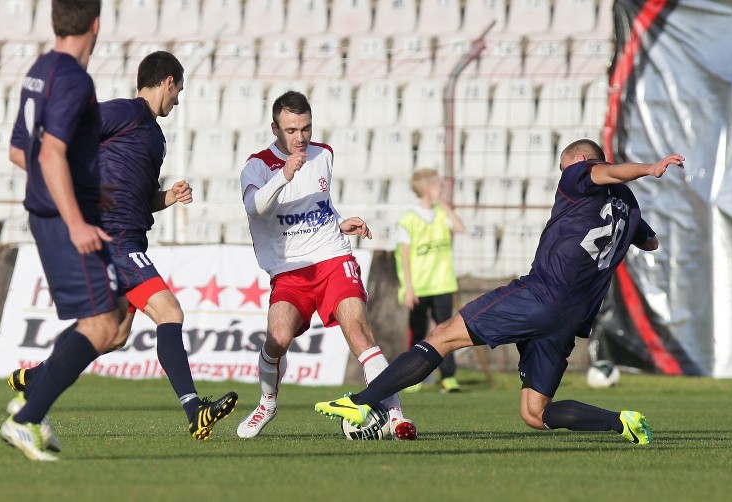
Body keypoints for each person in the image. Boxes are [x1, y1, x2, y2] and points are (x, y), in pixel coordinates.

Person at [317, 139, 686, 445]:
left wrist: (649, 168)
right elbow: (650, 243)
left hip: (541, 294)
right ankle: (622, 422)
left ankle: (363, 402)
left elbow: (601, 171)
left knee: (442, 336)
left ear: (577, 161)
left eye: (565, 168)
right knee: (534, 413)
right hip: (571, 317)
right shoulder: (629, 206)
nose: (566, 178)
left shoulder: (580, 174)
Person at [6, 51, 238, 442]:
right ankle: (194, 408)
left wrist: (168, 197)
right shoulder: (125, 113)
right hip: (114, 238)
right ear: (168, 81)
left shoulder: (154, 136)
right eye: (178, 90)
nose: (178, 100)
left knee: (113, 335)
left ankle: (35, 377)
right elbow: (70, 139)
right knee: (170, 310)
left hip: (131, 235)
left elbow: (141, 197)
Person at [237, 91, 417, 440]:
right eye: (291, 130)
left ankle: (396, 416)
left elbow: (321, 203)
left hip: (332, 257)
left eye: (305, 128)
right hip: (290, 270)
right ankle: (267, 402)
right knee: (277, 339)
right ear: (275, 127)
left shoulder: (324, 155)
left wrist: (337, 222)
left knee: (359, 332)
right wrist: (283, 176)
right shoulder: (257, 165)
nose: (300, 137)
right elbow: (253, 207)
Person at [1, 0, 123, 461]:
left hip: (52, 211)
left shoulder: (41, 69)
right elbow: (49, 153)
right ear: (96, 24)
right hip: (64, 220)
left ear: (53, 21)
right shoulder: (74, 78)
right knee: (103, 324)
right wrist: (75, 219)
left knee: (106, 319)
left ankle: (30, 402)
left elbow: (20, 151)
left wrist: (87, 187)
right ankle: (27, 416)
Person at [395, 169, 465, 394]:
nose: (442, 190)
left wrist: (445, 207)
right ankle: (411, 377)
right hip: (419, 287)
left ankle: (448, 377)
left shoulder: (441, 213)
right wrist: (408, 288)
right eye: (438, 187)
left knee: (447, 332)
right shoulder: (408, 219)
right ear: (428, 190)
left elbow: (460, 228)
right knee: (417, 333)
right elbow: (404, 256)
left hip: (443, 284)